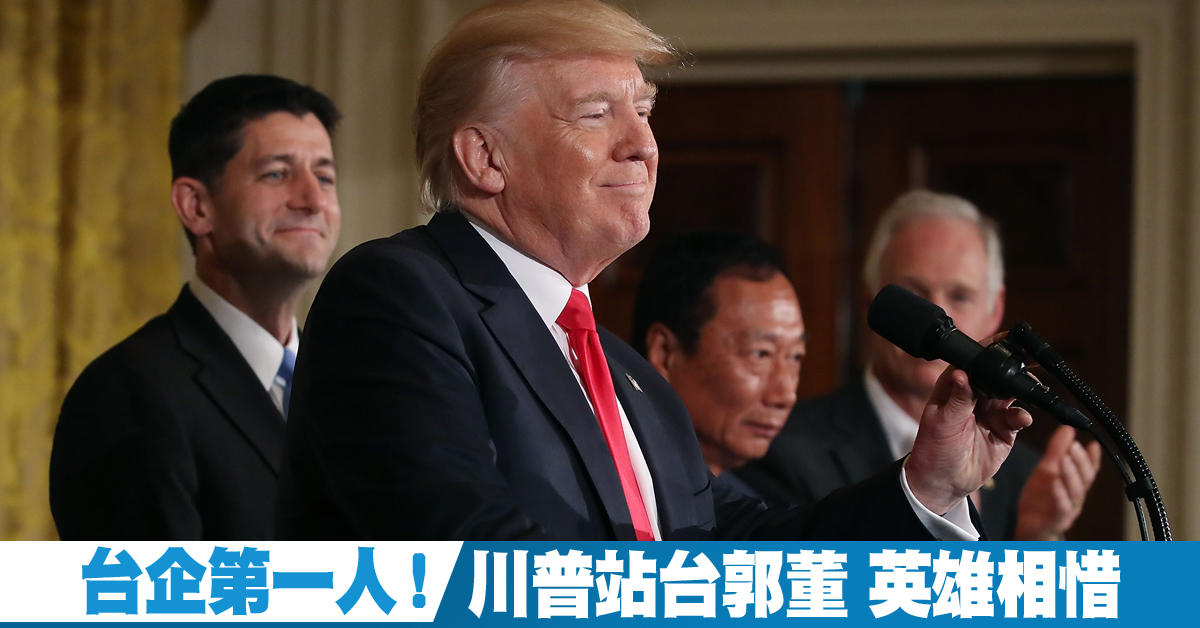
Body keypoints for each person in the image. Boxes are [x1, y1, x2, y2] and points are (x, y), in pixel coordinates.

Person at [276, 0, 1031, 541]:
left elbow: (744, 555)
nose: (643, 144)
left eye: (644, 111)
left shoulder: (628, 376)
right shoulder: (397, 297)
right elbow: (474, 561)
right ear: (485, 157)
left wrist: (926, 483)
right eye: (597, 113)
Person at [50, 75, 342, 540]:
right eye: (277, 174)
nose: (313, 200)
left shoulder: (348, 384)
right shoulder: (127, 392)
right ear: (196, 206)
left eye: (324, 177)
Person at [737, 190, 1102, 540]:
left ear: (996, 310)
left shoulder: (1025, 475)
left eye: (960, 295)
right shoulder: (781, 449)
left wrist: (1033, 542)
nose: (939, 318)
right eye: (915, 295)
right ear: (871, 304)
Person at [632, 232, 803, 500]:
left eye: (795, 357)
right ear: (664, 353)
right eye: (761, 354)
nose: (785, 395)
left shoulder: (757, 503)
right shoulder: (605, 491)